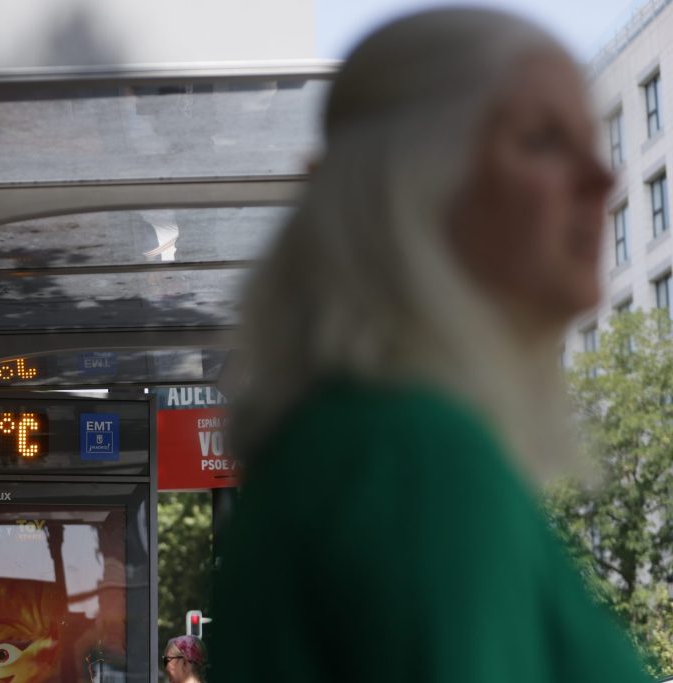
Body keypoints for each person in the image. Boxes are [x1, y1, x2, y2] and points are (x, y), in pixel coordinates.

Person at [211, 8, 652, 683]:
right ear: (407, 184)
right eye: (542, 139)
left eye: (593, 141)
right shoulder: (416, 458)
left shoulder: (345, 444)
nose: (604, 177)